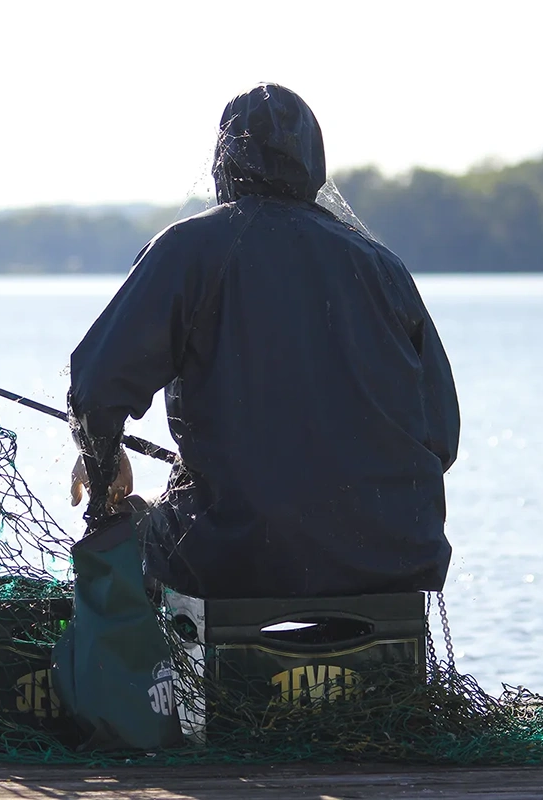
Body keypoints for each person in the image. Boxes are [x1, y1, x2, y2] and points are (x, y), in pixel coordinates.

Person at [67, 83, 460, 600]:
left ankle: (157, 680)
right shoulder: (382, 267)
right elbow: (440, 438)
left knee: (122, 529)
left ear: (223, 163)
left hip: (234, 555)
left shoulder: (188, 248)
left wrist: (102, 466)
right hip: (395, 560)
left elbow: (96, 391)